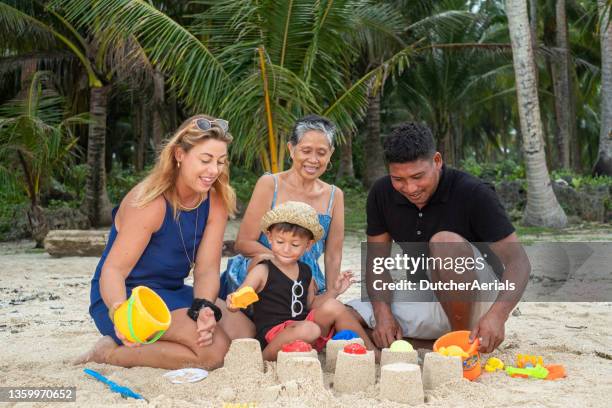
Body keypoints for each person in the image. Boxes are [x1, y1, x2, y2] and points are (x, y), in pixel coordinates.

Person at [78, 115, 253, 369]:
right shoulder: (151, 202)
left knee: (244, 336)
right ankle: (108, 353)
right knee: (215, 352)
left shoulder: (215, 201)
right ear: (179, 155)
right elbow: (113, 271)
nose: (213, 171)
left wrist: (203, 307)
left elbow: (206, 269)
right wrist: (121, 314)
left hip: (171, 292)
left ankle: (161, 344)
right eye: (205, 160)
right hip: (128, 298)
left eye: (220, 162)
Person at [348, 122, 530, 353]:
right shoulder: (381, 194)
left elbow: (519, 262)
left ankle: (459, 343)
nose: (410, 188)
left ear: (437, 161)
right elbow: (377, 262)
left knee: (444, 242)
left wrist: (498, 315)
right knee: (344, 315)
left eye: (417, 176)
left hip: (480, 299)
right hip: (427, 293)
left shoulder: (474, 193)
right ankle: (432, 346)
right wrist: (382, 314)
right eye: (398, 179)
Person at [226, 201, 377, 361]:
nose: (286, 249)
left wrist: (334, 291)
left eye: (295, 244)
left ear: (308, 245)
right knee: (309, 329)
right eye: (280, 242)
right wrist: (233, 303)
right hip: (275, 335)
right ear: (270, 237)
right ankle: (264, 357)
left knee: (334, 306)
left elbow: (311, 304)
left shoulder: (305, 271)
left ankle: (373, 352)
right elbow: (242, 294)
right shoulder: (262, 271)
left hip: (306, 329)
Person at [220, 115, 345, 299]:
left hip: (306, 281)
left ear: (331, 153)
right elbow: (244, 243)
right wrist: (286, 263)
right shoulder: (270, 184)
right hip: (260, 274)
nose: (313, 159)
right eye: (306, 150)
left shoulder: (335, 196)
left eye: (321, 152)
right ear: (291, 149)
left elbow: (333, 256)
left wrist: (331, 294)